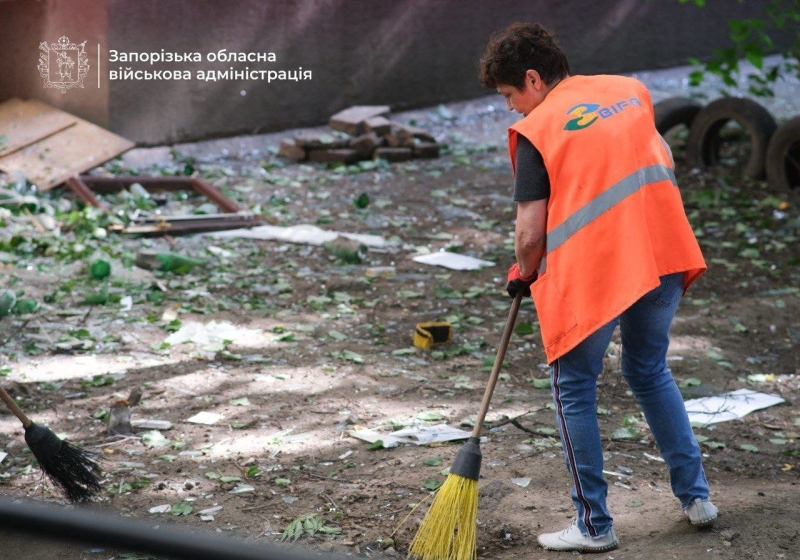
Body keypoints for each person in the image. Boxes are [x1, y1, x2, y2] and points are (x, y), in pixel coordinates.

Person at [478, 22, 718, 553]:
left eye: (509, 95)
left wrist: (523, 270)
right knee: (649, 369)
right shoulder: (628, 92)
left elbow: (529, 232)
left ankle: (594, 526)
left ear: (533, 80)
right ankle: (697, 499)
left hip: (599, 274)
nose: (512, 109)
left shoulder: (540, 130)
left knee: (573, 388)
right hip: (662, 255)